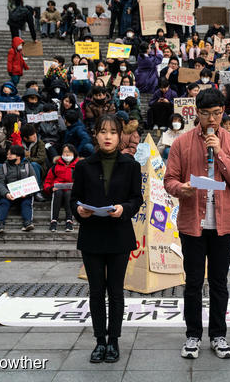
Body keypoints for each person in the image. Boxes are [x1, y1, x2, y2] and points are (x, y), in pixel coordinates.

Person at [164, 88, 230, 360]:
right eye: (205, 114)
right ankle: (192, 335)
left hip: (223, 224)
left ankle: (218, 335)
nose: (211, 120)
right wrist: (182, 189)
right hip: (192, 223)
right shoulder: (181, 143)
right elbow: (169, 180)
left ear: (223, 112)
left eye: (216, 114)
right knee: (192, 282)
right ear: (196, 113)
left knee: (219, 282)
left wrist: (220, 153)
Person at [71, 113, 142, 363]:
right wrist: (79, 211)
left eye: (113, 132)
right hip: (91, 236)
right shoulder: (83, 166)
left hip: (119, 236)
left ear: (120, 135)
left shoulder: (131, 165)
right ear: (96, 135)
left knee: (116, 291)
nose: (108, 136)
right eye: (103, 132)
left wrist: (124, 209)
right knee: (96, 291)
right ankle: (99, 341)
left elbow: (137, 199)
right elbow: (74, 199)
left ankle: (114, 341)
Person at [0, 145, 35, 232]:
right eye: (8, 154)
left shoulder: (28, 166)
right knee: (3, 203)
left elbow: (34, 182)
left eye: (11, 154)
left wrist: (27, 193)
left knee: (27, 203)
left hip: (24, 194)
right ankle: (0, 223)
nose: (8, 156)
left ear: (18, 156)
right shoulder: (4, 167)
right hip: (9, 194)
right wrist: (6, 193)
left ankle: (28, 222)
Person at [43, 144, 78, 232]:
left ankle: (69, 221)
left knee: (69, 193)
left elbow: (83, 182)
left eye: (69, 152)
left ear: (74, 154)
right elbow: (47, 182)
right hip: (58, 192)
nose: (66, 154)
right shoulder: (55, 167)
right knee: (58, 192)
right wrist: (50, 188)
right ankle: (53, 221)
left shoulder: (78, 167)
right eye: (65, 152)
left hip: (70, 193)